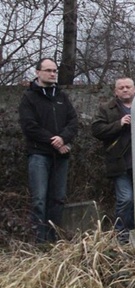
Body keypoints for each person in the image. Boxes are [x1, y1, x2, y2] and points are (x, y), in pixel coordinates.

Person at [18, 58, 78, 243]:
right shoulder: (29, 98)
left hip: (61, 156)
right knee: (39, 200)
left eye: (54, 70)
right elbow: (30, 126)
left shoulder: (62, 96)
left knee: (58, 199)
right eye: (48, 70)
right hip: (38, 155)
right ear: (38, 72)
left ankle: (54, 241)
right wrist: (54, 141)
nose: (52, 74)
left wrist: (63, 138)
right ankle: (39, 243)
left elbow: (73, 121)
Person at [91, 77, 135, 241]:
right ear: (115, 91)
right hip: (120, 163)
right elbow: (96, 130)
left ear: (134, 89)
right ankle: (121, 235)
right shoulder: (106, 108)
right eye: (121, 87)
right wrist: (119, 124)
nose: (125, 90)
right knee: (126, 199)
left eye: (128, 87)